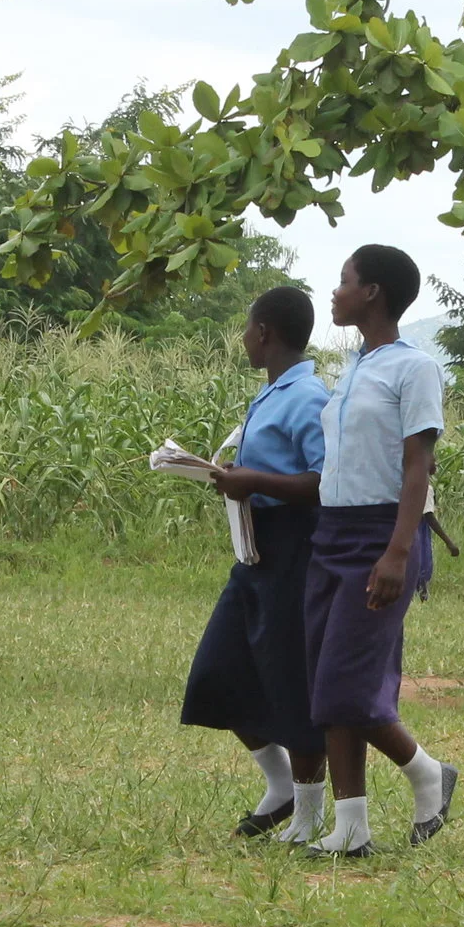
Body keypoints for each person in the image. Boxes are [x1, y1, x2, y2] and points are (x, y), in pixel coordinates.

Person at [299, 244, 459, 855]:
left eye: (344, 282)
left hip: (380, 535)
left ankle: (425, 772)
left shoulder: (412, 368)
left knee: (346, 682)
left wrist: (398, 552)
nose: (335, 293)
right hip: (331, 532)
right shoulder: (354, 369)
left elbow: (418, 467)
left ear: (372, 293)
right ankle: (353, 826)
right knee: (327, 685)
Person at [182, 287, 331, 838]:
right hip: (255, 549)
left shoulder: (308, 397)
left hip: (294, 547)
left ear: (264, 333)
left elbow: (324, 482)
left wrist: (254, 482)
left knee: (291, 678)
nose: (243, 337)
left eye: (247, 328)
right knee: (217, 673)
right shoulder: (272, 393)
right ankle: (280, 784)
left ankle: (311, 812)